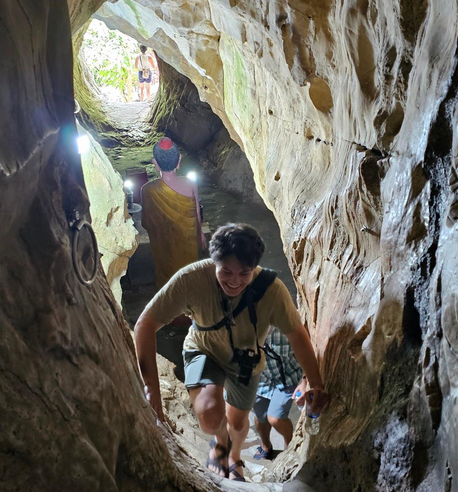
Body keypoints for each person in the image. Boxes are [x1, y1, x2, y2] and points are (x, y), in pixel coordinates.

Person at [134, 224, 329, 482]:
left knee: (238, 423)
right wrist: (151, 392)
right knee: (209, 415)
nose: (234, 281)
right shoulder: (191, 279)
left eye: (244, 273)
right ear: (214, 261)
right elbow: (145, 323)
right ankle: (219, 443)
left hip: (246, 360)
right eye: (226, 271)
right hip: (204, 349)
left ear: (254, 268)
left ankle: (234, 456)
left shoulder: (271, 290)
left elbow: (297, 335)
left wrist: (314, 382)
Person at [141, 137, 206, 290]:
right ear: (179, 161)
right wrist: (200, 233)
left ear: (155, 163)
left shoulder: (148, 190)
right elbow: (197, 214)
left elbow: (146, 223)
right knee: (190, 279)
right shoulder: (191, 184)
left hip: (164, 249)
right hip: (188, 244)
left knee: (169, 286)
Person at [251, 326, 304, 460]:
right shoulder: (243, 328)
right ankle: (265, 446)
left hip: (288, 376)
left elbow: (305, 350)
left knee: (275, 418)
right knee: (260, 417)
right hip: (261, 378)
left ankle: (290, 445)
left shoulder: (285, 326)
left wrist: (305, 380)